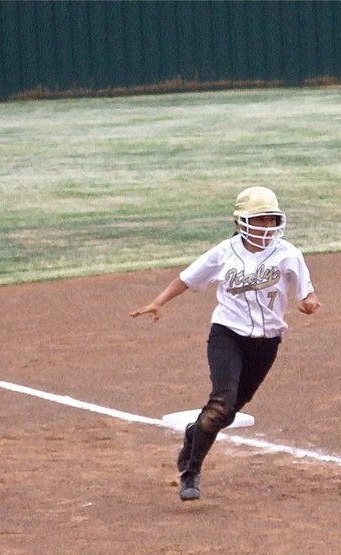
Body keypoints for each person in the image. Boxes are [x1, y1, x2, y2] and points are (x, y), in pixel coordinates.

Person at [131, 186, 321, 500]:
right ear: (241, 222)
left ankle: (195, 433)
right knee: (220, 406)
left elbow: (307, 291)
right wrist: (158, 302)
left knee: (228, 411)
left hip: (267, 343)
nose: (267, 227)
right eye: (260, 220)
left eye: (272, 220)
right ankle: (190, 472)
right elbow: (187, 278)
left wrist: (311, 302)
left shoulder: (289, 253)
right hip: (227, 336)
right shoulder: (224, 252)